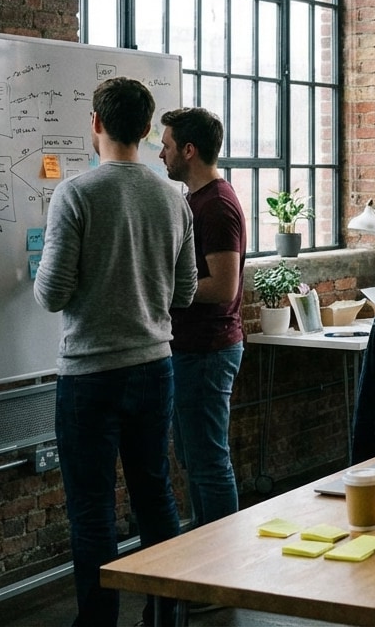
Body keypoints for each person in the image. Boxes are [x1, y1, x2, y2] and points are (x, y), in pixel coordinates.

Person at [34, 77, 197, 627]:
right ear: (148, 131)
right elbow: (186, 292)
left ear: (96, 124)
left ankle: (99, 622)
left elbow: (52, 293)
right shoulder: (173, 197)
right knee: (156, 498)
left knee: (93, 509)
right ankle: (165, 616)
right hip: (155, 367)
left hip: (90, 376)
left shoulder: (76, 194)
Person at [158, 107, 246, 530]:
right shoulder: (194, 200)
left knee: (209, 462)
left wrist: (163, 293)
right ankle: (205, 559)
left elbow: (223, 287)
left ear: (189, 150)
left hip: (208, 352)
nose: (161, 154)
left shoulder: (216, 206)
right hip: (193, 349)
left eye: (167, 145)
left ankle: (219, 571)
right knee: (195, 458)